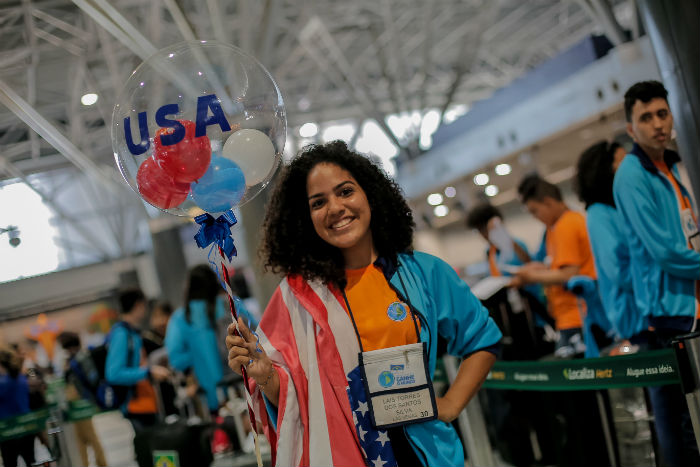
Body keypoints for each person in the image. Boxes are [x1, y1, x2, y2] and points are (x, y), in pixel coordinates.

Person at [225, 141, 502, 467]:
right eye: (318, 202)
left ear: (370, 193)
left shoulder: (424, 273)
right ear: (305, 218)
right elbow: (290, 399)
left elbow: (482, 339)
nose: (335, 208)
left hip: (429, 454)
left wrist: (452, 404)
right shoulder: (296, 298)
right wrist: (266, 376)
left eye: (345, 191)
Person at [613, 80, 700, 466]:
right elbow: (665, 251)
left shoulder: (672, 165)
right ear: (631, 129)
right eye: (645, 118)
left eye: (662, 114)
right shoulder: (632, 174)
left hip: (688, 305)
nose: (657, 124)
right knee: (682, 424)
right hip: (668, 317)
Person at [514, 175, 606, 357]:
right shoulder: (556, 228)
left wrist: (531, 278)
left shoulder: (567, 225)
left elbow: (569, 274)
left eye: (535, 211)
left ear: (548, 202)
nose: (535, 218)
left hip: (578, 317)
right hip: (573, 318)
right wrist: (540, 268)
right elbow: (559, 266)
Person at [575, 141, 647, 344]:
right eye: (620, 163)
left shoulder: (622, 206)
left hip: (646, 308)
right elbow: (618, 270)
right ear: (603, 171)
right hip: (634, 317)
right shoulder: (598, 213)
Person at [166, 265, 255, 414]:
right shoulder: (231, 305)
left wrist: (197, 357)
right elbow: (256, 333)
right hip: (246, 383)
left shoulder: (181, 318)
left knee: (224, 433)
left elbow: (176, 359)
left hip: (212, 395)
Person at [106, 289, 170, 433]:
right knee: (151, 449)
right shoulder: (121, 334)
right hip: (135, 404)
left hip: (146, 402)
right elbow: (114, 374)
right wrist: (148, 372)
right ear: (138, 305)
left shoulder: (131, 333)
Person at [58, 332, 108, 467]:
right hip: (74, 402)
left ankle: (102, 463)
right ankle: (84, 463)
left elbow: (91, 379)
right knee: (79, 438)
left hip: (82, 401)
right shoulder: (72, 360)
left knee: (90, 435)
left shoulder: (81, 358)